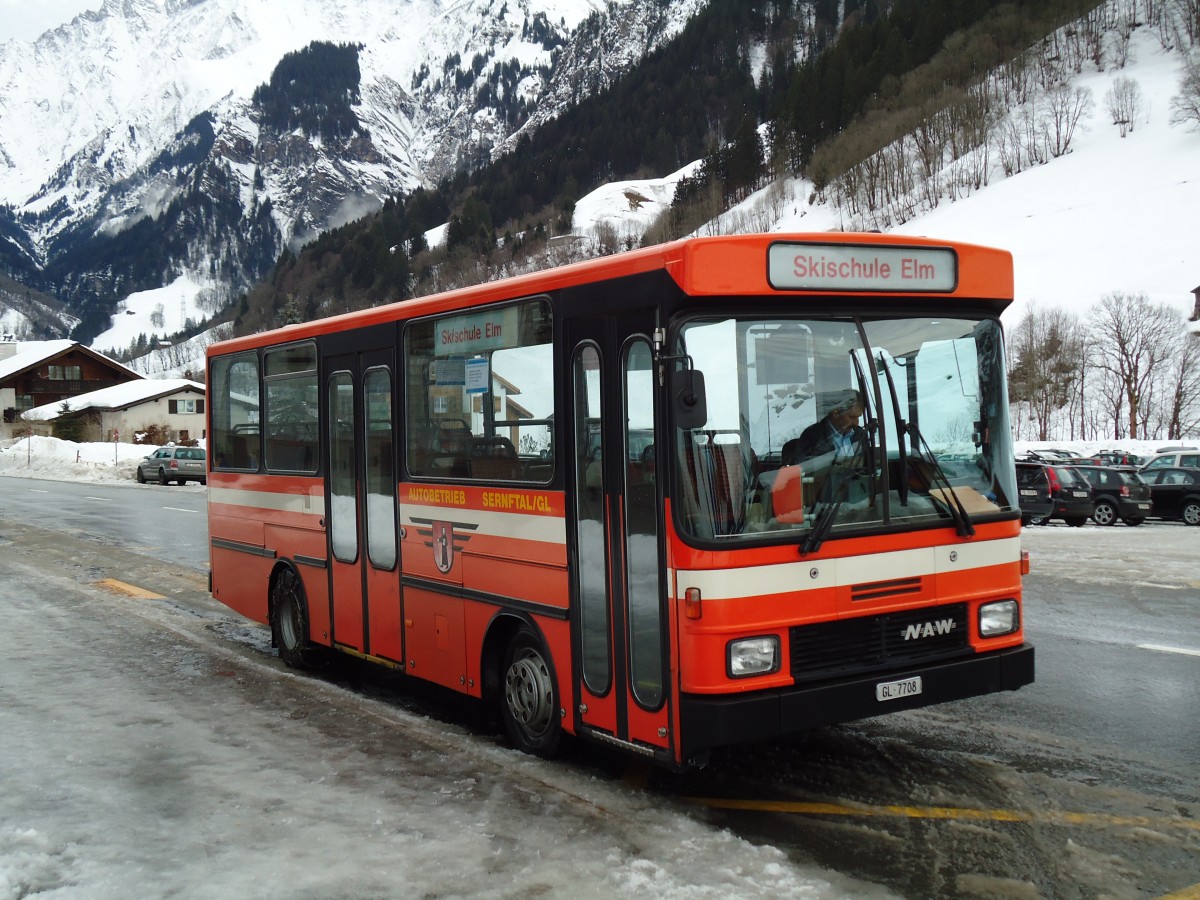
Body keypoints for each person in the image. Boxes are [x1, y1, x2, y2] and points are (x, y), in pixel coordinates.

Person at [782, 389, 866, 467]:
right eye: (852, 417)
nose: (856, 423)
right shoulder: (812, 438)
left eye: (858, 417)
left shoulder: (860, 435)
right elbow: (807, 471)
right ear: (835, 412)